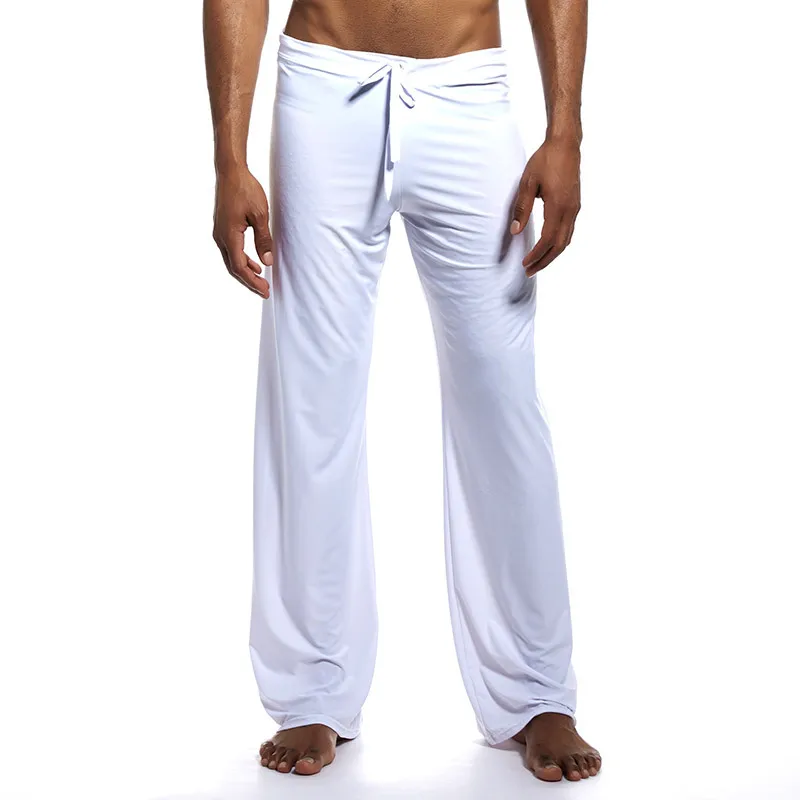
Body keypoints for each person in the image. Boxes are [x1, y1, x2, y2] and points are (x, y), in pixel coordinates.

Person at [203, 0, 600, 783]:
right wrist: (228, 158)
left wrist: (565, 132)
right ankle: (312, 688)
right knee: (312, 400)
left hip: (468, 91)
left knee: (503, 404)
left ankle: (535, 691)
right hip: (323, 89)